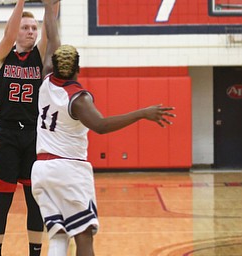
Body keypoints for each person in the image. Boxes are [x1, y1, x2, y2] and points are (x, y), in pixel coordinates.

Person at [31, 1, 176, 255]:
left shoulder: (45, 79)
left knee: (59, 233)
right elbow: (101, 125)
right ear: (78, 68)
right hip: (68, 169)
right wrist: (143, 113)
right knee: (84, 235)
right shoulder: (79, 98)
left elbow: (52, 37)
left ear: (53, 64)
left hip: (41, 170)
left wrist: (49, 7)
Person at [0, 0, 59, 255]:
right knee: (2, 201)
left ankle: (35, 253)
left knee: (34, 200)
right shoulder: (1, 55)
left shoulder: (39, 57)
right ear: (16, 29)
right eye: (25, 27)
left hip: (32, 135)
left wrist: (52, 5)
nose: (30, 31)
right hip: (5, 134)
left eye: (33, 28)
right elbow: (8, 33)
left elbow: (50, 30)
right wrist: (20, 2)